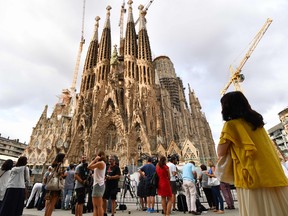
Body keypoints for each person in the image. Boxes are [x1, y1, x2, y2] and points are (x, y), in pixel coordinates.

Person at [218, 91, 288, 216]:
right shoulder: (257, 123)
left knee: (257, 210)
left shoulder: (231, 125)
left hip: (251, 174)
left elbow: (221, 151)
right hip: (272, 173)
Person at [87, 150, 106, 216]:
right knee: (96, 206)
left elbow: (89, 166)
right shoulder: (102, 163)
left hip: (98, 185)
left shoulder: (100, 163)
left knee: (98, 206)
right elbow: (95, 170)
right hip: (99, 184)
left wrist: (95, 160)